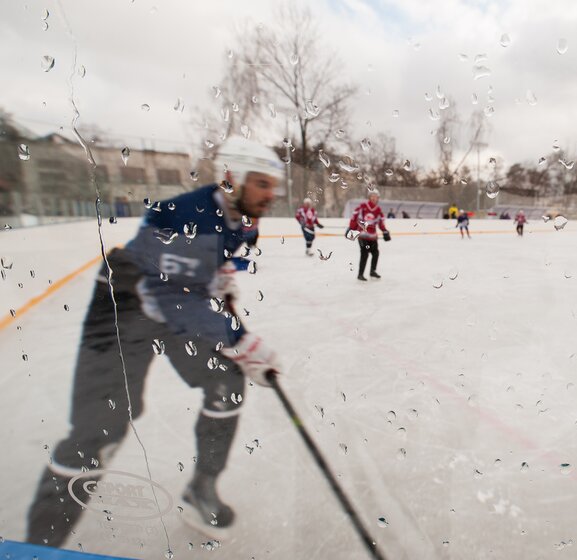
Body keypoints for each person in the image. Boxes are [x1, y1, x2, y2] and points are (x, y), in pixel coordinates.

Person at [26, 137, 285, 547]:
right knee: (102, 425)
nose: (272, 195)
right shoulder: (185, 215)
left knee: (226, 383)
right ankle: (37, 547)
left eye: (274, 185)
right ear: (232, 178)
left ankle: (202, 489)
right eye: (263, 184)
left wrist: (220, 278)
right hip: (125, 300)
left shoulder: (247, 219)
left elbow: (219, 264)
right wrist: (239, 339)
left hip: (176, 298)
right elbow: (164, 294)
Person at [347, 189, 390, 281]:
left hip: (373, 236)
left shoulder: (378, 210)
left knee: (375, 253)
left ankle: (372, 271)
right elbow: (354, 218)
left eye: (376, 197)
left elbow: (381, 222)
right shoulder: (362, 207)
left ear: (378, 198)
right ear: (369, 197)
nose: (374, 198)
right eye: (372, 196)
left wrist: (385, 231)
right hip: (363, 236)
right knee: (364, 254)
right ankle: (360, 274)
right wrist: (351, 228)